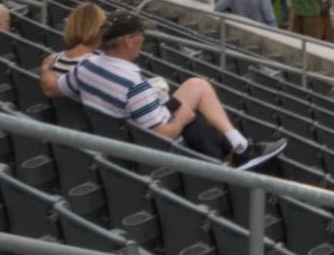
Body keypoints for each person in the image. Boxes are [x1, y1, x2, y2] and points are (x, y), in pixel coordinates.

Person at [61, 13, 269, 165]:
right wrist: (182, 118)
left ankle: (239, 143)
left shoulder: (85, 66)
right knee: (192, 117)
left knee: (197, 85)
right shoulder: (133, 84)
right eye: (140, 34)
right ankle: (235, 156)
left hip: (123, 131)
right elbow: (162, 135)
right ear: (128, 41)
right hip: (148, 146)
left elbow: (54, 87)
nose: (143, 39)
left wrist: (46, 69)